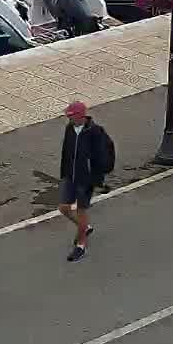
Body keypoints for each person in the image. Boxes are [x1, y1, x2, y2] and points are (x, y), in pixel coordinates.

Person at [57, 102, 114, 262]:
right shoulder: (69, 129)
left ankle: (81, 245)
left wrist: (98, 178)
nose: (68, 118)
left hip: (86, 179)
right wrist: (64, 173)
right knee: (63, 208)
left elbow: (103, 156)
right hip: (70, 176)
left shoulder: (95, 132)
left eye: (71, 115)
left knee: (82, 211)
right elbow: (66, 152)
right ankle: (85, 228)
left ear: (80, 115)